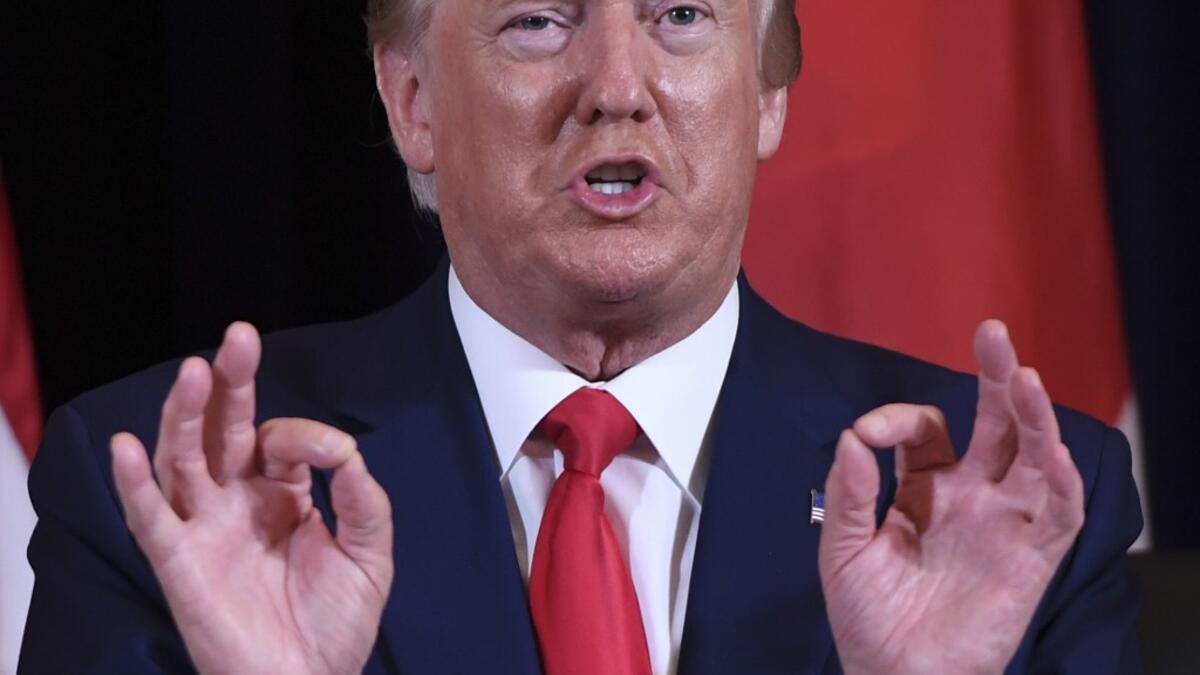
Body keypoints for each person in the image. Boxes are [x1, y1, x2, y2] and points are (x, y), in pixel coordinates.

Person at [19, 1, 1143, 673]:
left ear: (766, 96)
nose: (616, 88)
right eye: (537, 20)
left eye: (681, 15)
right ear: (411, 102)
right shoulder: (169, 500)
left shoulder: (1008, 508)